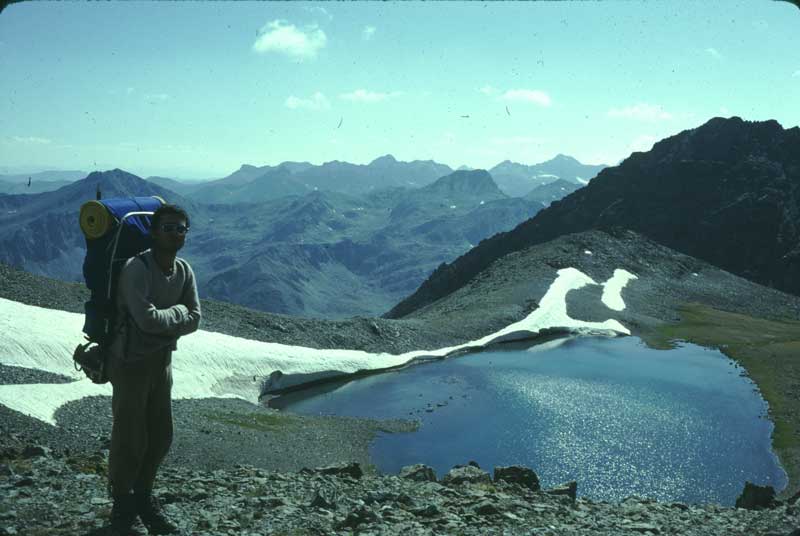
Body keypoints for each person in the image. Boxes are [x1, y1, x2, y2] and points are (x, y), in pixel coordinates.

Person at [107, 204, 201, 536]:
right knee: (129, 436)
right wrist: (177, 313)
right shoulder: (137, 268)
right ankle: (122, 504)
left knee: (161, 435)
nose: (176, 234)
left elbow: (196, 318)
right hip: (130, 362)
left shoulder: (184, 270)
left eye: (181, 229)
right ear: (154, 231)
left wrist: (167, 318)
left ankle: (143, 495)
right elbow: (146, 319)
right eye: (169, 228)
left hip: (162, 362)